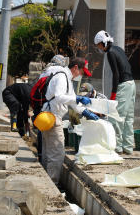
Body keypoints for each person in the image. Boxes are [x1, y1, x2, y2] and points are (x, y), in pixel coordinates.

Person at [40, 56, 98, 184]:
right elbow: (60, 96)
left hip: (50, 116)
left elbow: (72, 101)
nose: (81, 76)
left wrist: (85, 112)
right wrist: (78, 98)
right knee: (57, 154)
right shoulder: (61, 77)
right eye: (82, 72)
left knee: (48, 153)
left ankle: (45, 182)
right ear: (76, 68)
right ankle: (52, 185)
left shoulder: (66, 78)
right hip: (53, 118)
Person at [94, 31, 135, 155]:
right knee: (128, 118)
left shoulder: (110, 53)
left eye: (98, 45)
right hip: (132, 84)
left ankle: (117, 148)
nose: (98, 48)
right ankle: (128, 147)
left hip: (123, 85)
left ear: (103, 43)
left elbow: (116, 74)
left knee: (117, 117)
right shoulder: (118, 49)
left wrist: (113, 94)